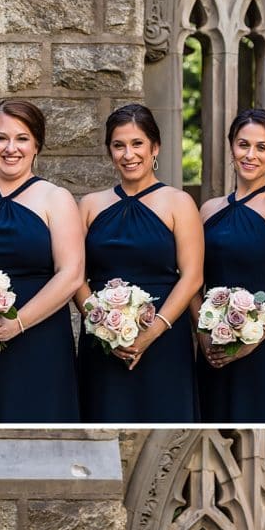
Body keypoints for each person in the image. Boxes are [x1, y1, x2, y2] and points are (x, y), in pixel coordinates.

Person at [0, 99, 84, 422]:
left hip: (41, 337)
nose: (11, 148)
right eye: (1, 138)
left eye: (22, 138)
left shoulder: (56, 198)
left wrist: (18, 321)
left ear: (37, 144)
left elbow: (72, 274)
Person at [76, 103, 203, 422]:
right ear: (109, 151)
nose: (128, 154)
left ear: (155, 147)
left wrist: (151, 333)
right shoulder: (90, 205)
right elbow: (75, 275)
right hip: (102, 343)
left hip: (164, 339)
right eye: (119, 145)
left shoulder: (179, 202)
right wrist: (103, 327)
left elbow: (192, 277)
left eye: (137, 144)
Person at [194, 109, 265, 422]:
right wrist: (203, 333)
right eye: (243, 144)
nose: (250, 155)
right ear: (231, 147)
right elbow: (192, 279)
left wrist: (254, 338)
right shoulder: (207, 210)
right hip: (214, 344)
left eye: (261, 147)